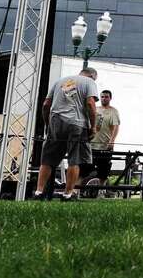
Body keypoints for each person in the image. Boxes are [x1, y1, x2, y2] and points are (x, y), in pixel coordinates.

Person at [34, 67, 99, 201]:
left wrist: (48, 124)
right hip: (77, 123)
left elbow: (46, 105)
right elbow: (90, 104)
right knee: (74, 160)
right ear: (92, 76)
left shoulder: (60, 81)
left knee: (47, 159)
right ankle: (68, 194)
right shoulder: (89, 82)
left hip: (55, 120)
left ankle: (39, 192)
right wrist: (93, 127)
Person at [90, 89, 121, 182]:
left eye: (106, 97)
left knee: (103, 172)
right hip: (92, 144)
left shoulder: (113, 111)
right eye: (102, 97)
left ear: (110, 98)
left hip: (105, 145)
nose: (104, 99)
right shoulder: (95, 109)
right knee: (85, 169)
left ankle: (101, 191)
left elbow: (116, 127)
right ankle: (79, 191)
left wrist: (112, 141)